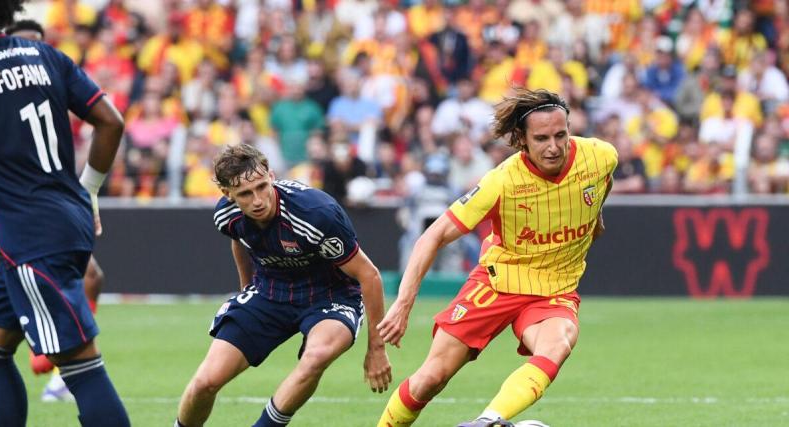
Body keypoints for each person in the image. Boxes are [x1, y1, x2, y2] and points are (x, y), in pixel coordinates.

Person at [376, 88, 618, 427]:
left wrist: (596, 218)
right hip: (497, 283)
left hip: (555, 289)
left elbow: (602, 184)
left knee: (557, 345)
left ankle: (487, 421)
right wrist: (403, 304)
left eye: (560, 135)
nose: (554, 147)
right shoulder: (502, 181)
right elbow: (433, 236)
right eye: (542, 138)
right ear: (521, 140)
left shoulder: (601, 156)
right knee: (431, 377)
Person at [175, 144, 391, 427]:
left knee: (316, 356)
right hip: (270, 291)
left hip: (331, 295)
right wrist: (246, 290)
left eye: (262, 187)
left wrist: (376, 349)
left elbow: (369, 276)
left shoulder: (315, 214)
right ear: (228, 195)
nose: (257, 201)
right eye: (245, 194)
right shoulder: (225, 216)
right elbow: (239, 239)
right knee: (205, 382)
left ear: (271, 176)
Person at [0, 1, 129, 426]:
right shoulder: (45, 54)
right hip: (65, 216)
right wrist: (90, 190)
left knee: (81, 367)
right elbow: (111, 121)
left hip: (30, 238)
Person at [5, 16, 108, 403]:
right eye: (24, 42)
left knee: (92, 276)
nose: (31, 50)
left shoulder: (52, 77)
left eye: (38, 41)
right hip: (9, 211)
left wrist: (86, 192)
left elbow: (107, 121)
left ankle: (60, 368)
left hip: (52, 205)